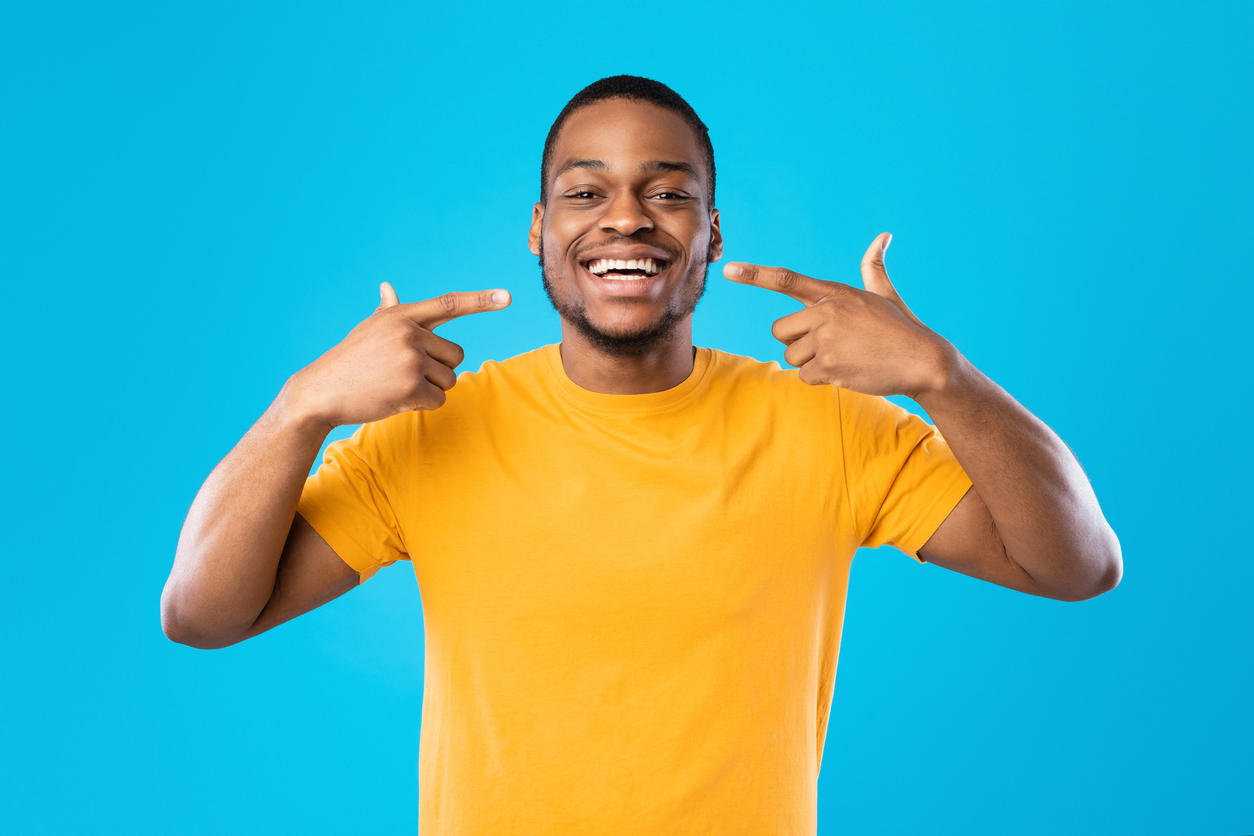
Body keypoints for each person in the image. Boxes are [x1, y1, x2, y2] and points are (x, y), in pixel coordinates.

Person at [161, 75, 1121, 835]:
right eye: (586, 192)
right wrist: (302, 407)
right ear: (541, 232)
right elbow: (202, 614)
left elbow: (1076, 564)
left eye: (669, 194)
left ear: (710, 235)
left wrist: (942, 377)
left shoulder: (829, 425)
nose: (627, 218)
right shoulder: (431, 431)